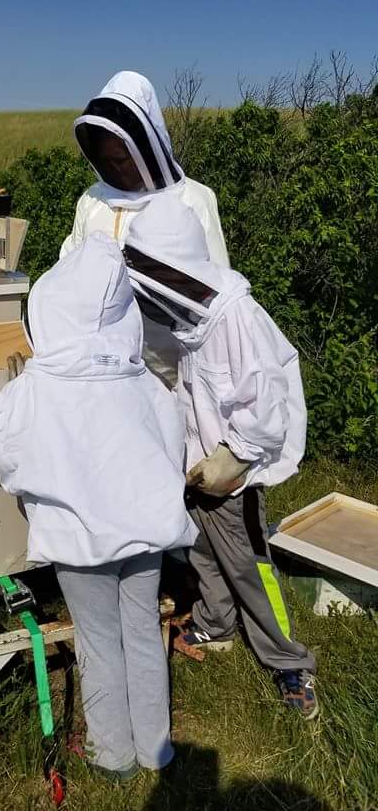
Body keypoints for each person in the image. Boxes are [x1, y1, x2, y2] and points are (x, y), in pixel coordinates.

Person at [0, 232, 197, 778]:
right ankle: (156, 751)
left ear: (53, 309)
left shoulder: (37, 389)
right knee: (142, 632)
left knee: (98, 641)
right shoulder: (144, 383)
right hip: (145, 534)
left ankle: (112, 755)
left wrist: (20, 473)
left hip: (81, 543)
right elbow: (173, 446)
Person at [123, 196, 318, 719]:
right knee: (203, 554)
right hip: (200, 468)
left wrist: (235, 457)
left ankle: (290, 662)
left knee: (253, 569)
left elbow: (268, 403)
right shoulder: (193, 319)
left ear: (177, 268)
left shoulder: (237, 318)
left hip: (236, 476)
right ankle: (216, 625)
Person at [63, 70, 229, 387]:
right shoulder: (92, 201)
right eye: (107, 160)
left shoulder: (194, 199)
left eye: (122, 158)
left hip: (173, 371)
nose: (115, 168)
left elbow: (217, 292)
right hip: (102, 369)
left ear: (146, 148)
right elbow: (69, 267)